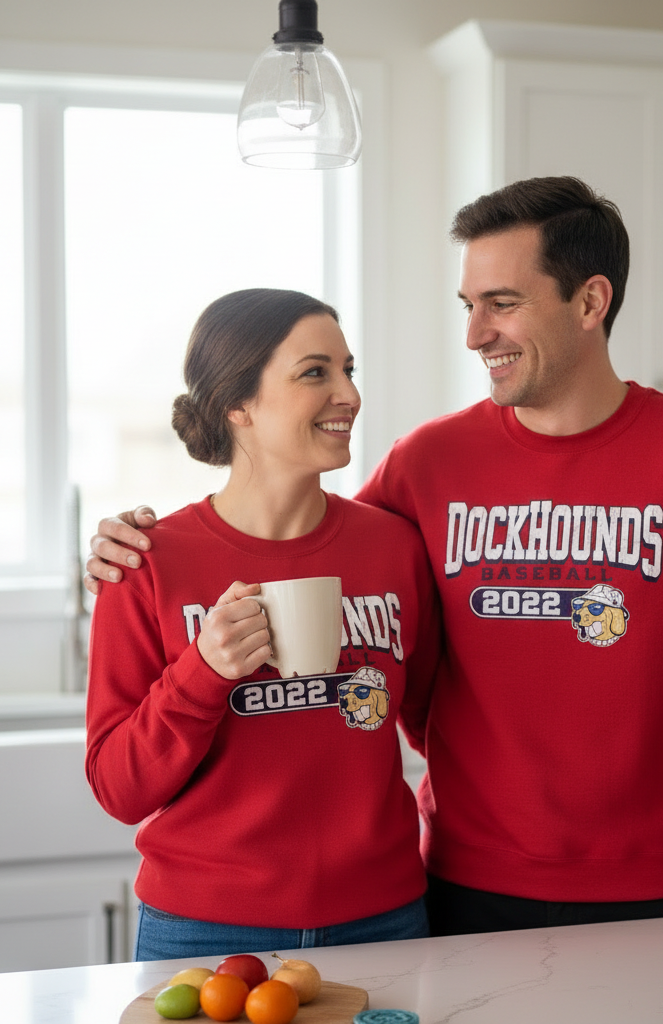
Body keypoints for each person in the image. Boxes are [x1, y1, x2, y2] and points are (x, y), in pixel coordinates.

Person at [86, 178, 663, 943]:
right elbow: (290, 529)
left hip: (649, 890)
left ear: (590, 302)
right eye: (467, 306)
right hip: (457, 890)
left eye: (501, 303)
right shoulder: (425, 465)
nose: (476, 334)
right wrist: (142, 542)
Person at [84, 288, 439, 960]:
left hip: (385, 917)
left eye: (348, 369)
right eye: (315, 372)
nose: (349, 395)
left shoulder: (395, 549)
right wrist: (203, 671)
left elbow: (440, 718)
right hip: (203, 929)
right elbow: (119, 787)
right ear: (237, 405)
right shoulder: (145, 562)